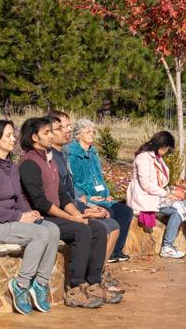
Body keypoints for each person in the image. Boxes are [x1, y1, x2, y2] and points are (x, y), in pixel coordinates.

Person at [17, 117, 118, 308]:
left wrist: (79, 214)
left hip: (56, 214)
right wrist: (72, 218)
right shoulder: (30, 162)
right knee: (82, 230)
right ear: (34, 137)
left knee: (97, 228)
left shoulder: (50, 161)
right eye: (46, 132)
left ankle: (94, 283)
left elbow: (62, 195)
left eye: (50, 131)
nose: (51, 135)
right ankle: (75, 288)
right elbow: (41, 202)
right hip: (42, 218)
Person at [0, 120, 60, 315]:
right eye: (9, 135)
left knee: (52, 229)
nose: (14, 139)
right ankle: (21, 284)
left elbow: (18, 197)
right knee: (39, 234)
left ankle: (40, 284)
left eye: (13, 134)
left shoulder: (11, 167)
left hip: (10, 219)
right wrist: (19, 216)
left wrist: (29, 213)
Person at [45, 113, 123, 293]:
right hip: (61, 209)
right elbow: (55, 196)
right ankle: (83, 282)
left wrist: (88, 204)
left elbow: (69, 188)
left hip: (74, 202)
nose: (68, 130)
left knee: (113, 222)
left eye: (68, 126)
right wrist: (84, 209)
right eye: (62, 127)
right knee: (101, 227)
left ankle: (97, 276)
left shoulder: (62, 153)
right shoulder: (52, 157)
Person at [127, 131, 186, 258]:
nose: (167, 152)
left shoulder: (157, 159)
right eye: (167, 148)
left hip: (154, 196)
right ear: (162, 145)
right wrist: (166, 194)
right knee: (179, 208)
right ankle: (167, 246)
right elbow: (146, 184)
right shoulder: (143, 158)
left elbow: (160, 181)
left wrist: (170, 192)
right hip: (143, 197)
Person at [68, 119, 133, 263]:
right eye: (88, 132)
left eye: (93, 132)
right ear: (78, 135)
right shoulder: (72, 155)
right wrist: (89, 197)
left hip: (102, 197)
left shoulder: (93, 154)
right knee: (109, 213)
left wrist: (107, 194)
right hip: (88, 199)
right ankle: (105, 253)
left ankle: (116, 250)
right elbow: (73, 183)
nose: (92, 135)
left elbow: (99, 178)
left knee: (126, 212)